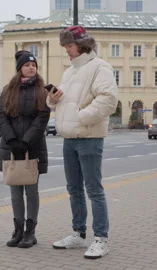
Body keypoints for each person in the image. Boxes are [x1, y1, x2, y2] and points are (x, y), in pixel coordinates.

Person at [47, 26, 118, 259]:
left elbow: (108, 100)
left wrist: (81, 117)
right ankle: (78, 234)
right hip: (69, 139)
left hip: (89, 137)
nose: (66, 50)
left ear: (82, 44)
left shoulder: (100, 67)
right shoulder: (69, 72)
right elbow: (64, 103)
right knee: (73, 189)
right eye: (65, 46)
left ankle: (101, 238)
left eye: (69, 45)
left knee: (94, 190)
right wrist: (52, 100)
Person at [0, 50, 51, 249]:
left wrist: (26, 141)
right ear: (20, 68)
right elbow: (1, 116)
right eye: (27, 65)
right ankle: (17, 230)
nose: (31, 67)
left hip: (32, 146)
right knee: (15, 190)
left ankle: (30, 232)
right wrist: (11, 139)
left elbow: (42, 118)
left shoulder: (42, 90)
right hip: (11, 147)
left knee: (31, 190)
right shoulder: (8, 90)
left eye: (34, 65)